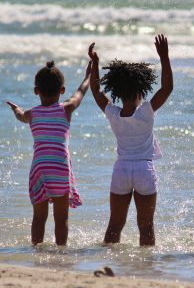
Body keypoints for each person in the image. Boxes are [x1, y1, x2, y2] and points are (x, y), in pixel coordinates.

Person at [88, 34, 173, 246]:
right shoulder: (145, 112)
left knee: (115, 225)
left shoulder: (113, 114)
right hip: (144, 170)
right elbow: (166, 89)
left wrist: (96, 64)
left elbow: (96, 91)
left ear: (117, 91)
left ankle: (109, 260)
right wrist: (164, 56)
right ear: (141, 90)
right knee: (146, 227)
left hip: (121, 170)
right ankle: (145, 265)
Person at [6, 60, 92, 246]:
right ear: (62, 90)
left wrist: (16, 109)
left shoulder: (32, 114)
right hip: (60, 168)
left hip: (39, 169)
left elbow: (21, 116)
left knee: (39, 217)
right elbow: (80, 93)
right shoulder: (66, 108)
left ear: (36, 90)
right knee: (61, 218)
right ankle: (61, 250)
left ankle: (36, 249)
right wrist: (88, 77)